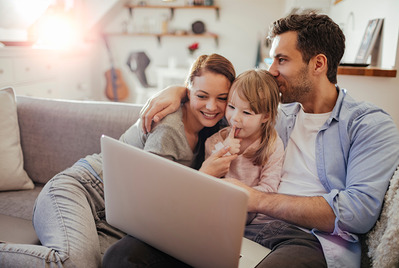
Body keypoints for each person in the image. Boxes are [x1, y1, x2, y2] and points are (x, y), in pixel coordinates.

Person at [132, 12, 399, 267]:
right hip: (241, 225)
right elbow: (222, 107)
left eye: (281, 60)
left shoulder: (369, 125)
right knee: (128, 255)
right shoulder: (275, 116)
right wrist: (181, 91)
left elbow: (358, 212)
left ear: (318, 64)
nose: (271, 71)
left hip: (305, 239)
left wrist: (257, 200)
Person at [0, 53, 236, 268]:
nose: (212, 106)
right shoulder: (170, 127)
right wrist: (204, 175)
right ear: (188, 90)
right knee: (73, 264)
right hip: (82, 189)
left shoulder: (215, 131)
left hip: (116, 220)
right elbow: (152, 201)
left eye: (222, 98)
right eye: (202, 96)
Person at [204, 69, 284, 224]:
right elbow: (207, 186)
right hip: (217, 216)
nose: (235, 118)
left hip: (253, 221)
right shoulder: (214, 142)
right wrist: (223, 154)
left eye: (246, 113)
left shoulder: (272, 145)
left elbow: (268, 191)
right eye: (231, 107)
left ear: (265, 116)